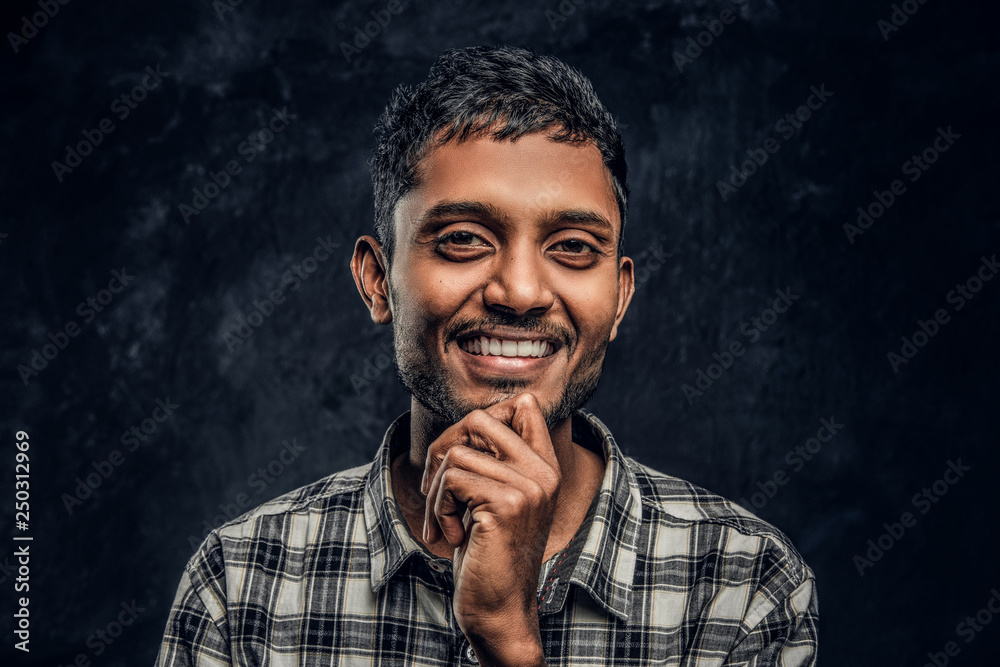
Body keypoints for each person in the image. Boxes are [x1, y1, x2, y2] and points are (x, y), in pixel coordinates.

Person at [155, 44, 818, 666]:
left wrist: (507, 637)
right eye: (465, 239)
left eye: (573, 247)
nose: (522, 292)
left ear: (618, 298)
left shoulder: (742, 584)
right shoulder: (242, 586)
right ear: (377, 281)